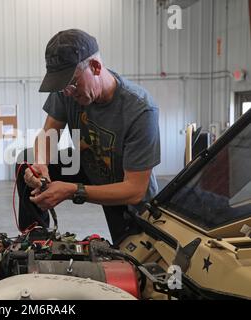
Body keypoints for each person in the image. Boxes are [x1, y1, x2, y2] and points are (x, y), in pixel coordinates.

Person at [17, 29, 161, 245]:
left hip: (126, 194)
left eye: (73, 83)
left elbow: (135, 190)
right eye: (63, 87)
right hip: (88, 167)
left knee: (131, 262)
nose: (68, 92)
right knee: (26, 160)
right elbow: (47, 134)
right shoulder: (67, 90)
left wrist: (72, 191)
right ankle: (36, 238)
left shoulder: (139, 109)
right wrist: (40, 165)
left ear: (95, 67)